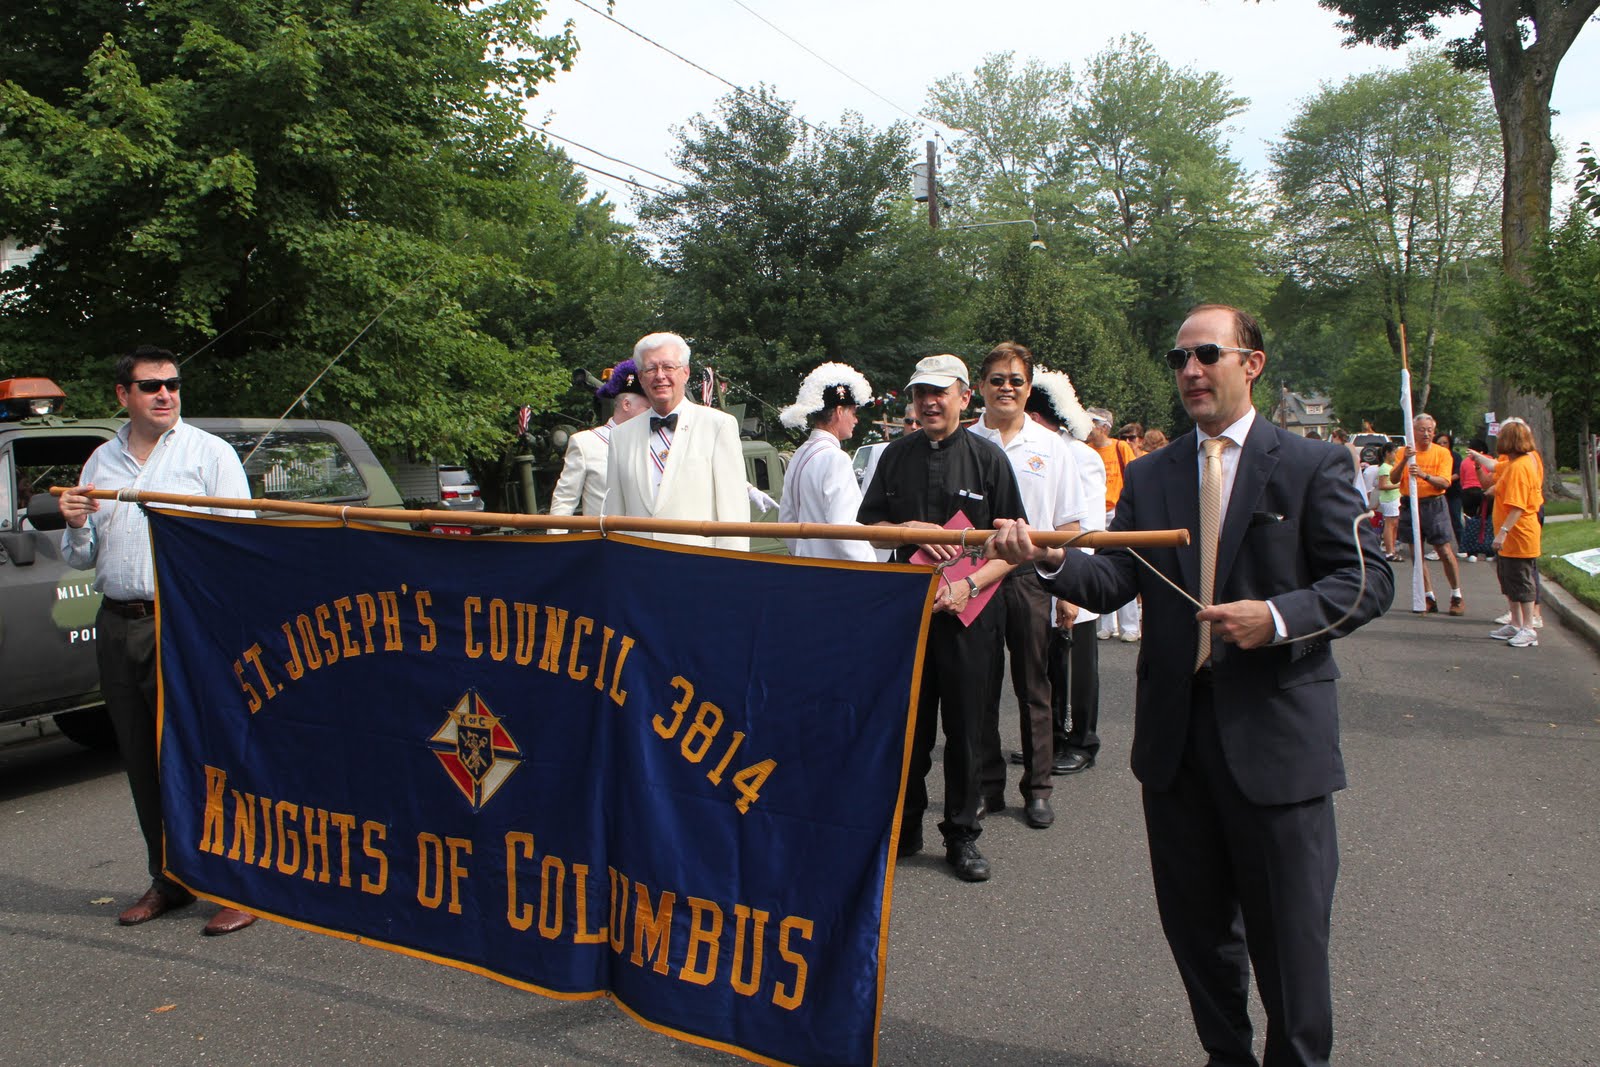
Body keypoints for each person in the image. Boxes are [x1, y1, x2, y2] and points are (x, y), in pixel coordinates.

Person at [989, 304, 1392, 1067]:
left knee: (1291, 944)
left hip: (1278, 745)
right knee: (1198, 931)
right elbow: (1111, 577)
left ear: (1254, 363)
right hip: (1177, 747)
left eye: (1207, 354)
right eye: (1178, 359)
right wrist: (1040, 556)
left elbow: (1365, 579)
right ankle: (1225, 1055)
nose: (1190, 372)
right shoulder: (1151, 473)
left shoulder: (1311, 465)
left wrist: (1275, 617)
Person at [58, 346, 259, 936]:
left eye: (172, 384)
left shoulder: (209, 454)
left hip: (185, 623)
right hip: (118, 622)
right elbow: (84, 555)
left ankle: (236, 885)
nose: (165, 395)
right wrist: (73, 524)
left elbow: (239, 548)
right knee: (142, 758)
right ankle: (168, 876)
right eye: (151, 387)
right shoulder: (100, 461)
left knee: (204, 755)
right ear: (124, 395)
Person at [857, 354, 1025, 882]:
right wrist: (905, 528)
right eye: (920, 394)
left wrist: (968, 585)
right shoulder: (893, 456)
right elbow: (869, 528)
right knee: (908, 728)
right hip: (908, 610)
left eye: (940, 393)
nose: (929, 402)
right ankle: (904, 828)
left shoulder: (988, 460)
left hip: (970, 616)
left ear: (963, 397)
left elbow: (1015, 547)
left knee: (967, 730)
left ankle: (962, 837)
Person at [969, 343, 1084, 830]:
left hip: (1031, 578)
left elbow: (1070, 522)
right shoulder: (965, 440)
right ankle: (987, 785)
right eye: (997, 380)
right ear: (981, 387)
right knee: (981, 687)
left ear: (1028, 388)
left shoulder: (1050, 446)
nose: (1006, 389)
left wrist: (1071, 590)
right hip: (974, 577)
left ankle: (1037, 787)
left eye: (1015, 381)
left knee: (1035, 686)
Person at [1025, 367, 1106, 776]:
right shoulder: (1042, 449)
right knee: (1048, 665)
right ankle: (1051, 736)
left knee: (1076, 669)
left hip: (1074, 576)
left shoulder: (1080, 455)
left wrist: (1072, 591)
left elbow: (1087, 528)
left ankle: (1081, 740)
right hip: (1042, 575)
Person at [603, 332, 749, 551]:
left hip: (700, 568)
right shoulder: (620, 436)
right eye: (651, 369)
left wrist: (730, 572)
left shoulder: (719, 426)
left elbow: (733, 512)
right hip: (639, 569)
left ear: (686, 372)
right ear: (641, 378)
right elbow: (615, 514)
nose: (660, 376)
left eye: (668, 367)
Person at [776, 362, 877, 561]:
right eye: (854, 412)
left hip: (806, 566)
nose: (856, 420)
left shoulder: (800, 453)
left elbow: (786, 519)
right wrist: (870, 565)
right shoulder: (836, 458)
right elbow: (844, 528)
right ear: (840, 411)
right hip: (836, 571)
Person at [548, 358, 651, 525]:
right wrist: (555, 544)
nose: (651, 413)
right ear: (626, 404)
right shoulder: (585, 443)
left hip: (649, 545)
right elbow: (565, 500)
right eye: (647, 408)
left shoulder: (655, 442)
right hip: (602, 545)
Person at [1395, 414, 1464, 615]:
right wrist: (1405, 461)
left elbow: (1445, 482)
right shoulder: (1404, 452)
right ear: (1413, 431)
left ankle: (1456, 595)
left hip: (1434, 504)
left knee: (1444, 550)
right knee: (1417, 554)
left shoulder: (1442, 453)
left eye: (1429, 430)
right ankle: (1428, 596)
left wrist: (1424, 475)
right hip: (1410, 504)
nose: (1426, 433)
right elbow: (1394, 478)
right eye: (1421, 429)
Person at [1483, 421, 1544, 647]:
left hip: (1519, 535)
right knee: (1509, 579)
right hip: (1512, 536)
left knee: (1521, 580)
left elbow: (1518, 505)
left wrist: (1503, 533)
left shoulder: (1520, 466)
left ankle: (1528, 627)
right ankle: (1516, 623)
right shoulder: (1519, 462)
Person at [1086, 408, 1139, 641]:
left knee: (1122, 564)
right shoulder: (1087, 451)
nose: (1088, 427)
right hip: (1096, 511)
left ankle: (1130, 627)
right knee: (1101, 565)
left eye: (1093, 423)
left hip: (1118, 511)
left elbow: (1134, 476)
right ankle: (1107, 624)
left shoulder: (1120, 447)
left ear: (1104, 427)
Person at [1436, 431, 1466, 555]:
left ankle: (1463, 547)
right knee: (1438, 521)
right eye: (1439, 443)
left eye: (1445, 443)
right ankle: (1438, 548)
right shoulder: (1435, 456)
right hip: (1437, 491)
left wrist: (1445, 480)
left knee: (1456, 518)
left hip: (1453, 492)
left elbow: (1458, 474)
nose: (1442, 445)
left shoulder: (1455, 456)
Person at [1376, 442, 1403, 561]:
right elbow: (1382, 486)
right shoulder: (1384, 468)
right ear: (1387, 453)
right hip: (1389, 499)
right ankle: (1389, 551)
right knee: (1389, 524)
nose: (1396, 456)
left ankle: (1392, 549)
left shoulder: (1391, 467)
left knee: (1394, 525)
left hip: (1395, 498)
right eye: (1394, 453)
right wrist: (1398, 485)